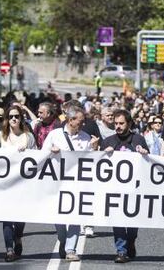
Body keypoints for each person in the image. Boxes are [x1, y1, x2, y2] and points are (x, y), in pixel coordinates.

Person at [42, 105, 99, 261]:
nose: (83, 124)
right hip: (57, 183)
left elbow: (92, 162)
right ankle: (63, 239)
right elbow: (40, 156)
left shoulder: (86, 137)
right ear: (70, 119)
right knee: (59, 216)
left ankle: (70, 250)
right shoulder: (54, 135)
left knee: (75, 215)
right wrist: (50, 152)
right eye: (80, 121)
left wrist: (94, 149)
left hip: (77, 184)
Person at [100, 109, 149, 263]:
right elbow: (98, 165)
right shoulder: (108, 141)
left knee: (132, 221)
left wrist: (144, 153)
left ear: (129, 124)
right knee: (118, 220)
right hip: (115, 189)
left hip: (135, 189)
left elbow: (148, 162)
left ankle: (131, 240)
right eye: (115, 123)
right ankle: (121, 251)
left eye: (121, 123)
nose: (118, 126)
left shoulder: (138, 140)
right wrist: (103, 153)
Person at [0, 105, 37, 262]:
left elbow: (37, 159)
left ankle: (18, 237)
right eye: (11, 116)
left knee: (19, 217)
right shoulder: (0, 136)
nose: (13, 119)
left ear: (21, 118)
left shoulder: (28, 137)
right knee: (7, 217)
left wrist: (28, 151)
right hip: (5, 185)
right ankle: (9, 249)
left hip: (23, 185)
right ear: (6, 119)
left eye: (17, 116)